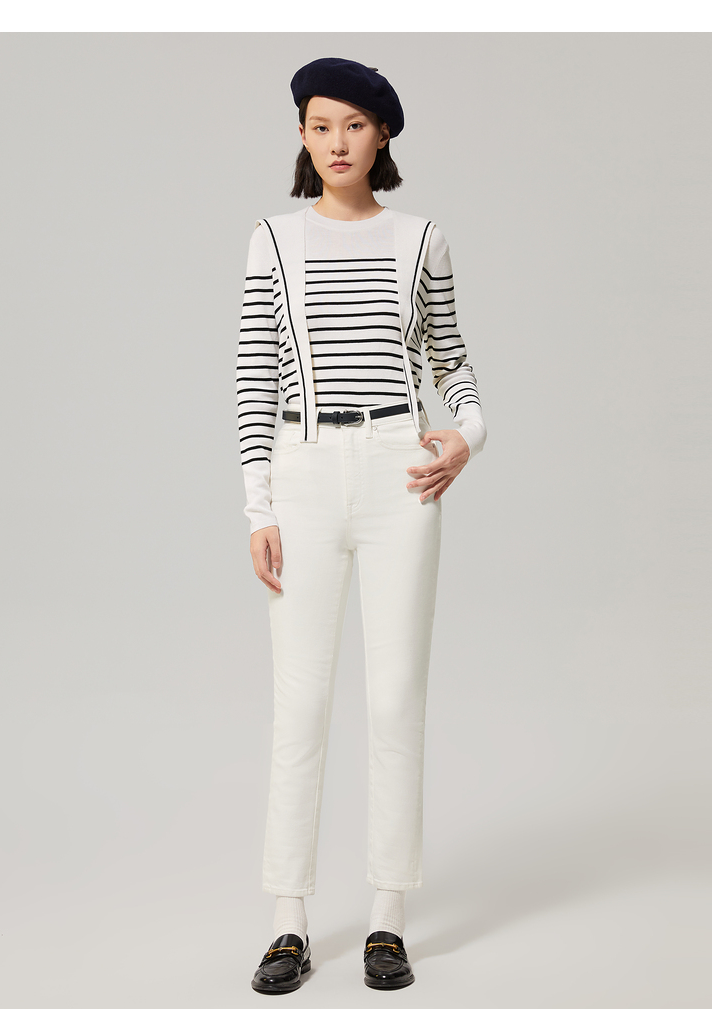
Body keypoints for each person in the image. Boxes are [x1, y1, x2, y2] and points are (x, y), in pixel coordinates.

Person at [237, 57, 487, 995]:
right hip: (302, 469)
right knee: (299, 703)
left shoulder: (422, 239)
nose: (335, 143)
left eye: (352, 124)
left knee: (392, 700)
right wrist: (258, 505)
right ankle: (288, 922)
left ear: (382, 134)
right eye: (318, 125)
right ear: (301, 137)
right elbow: (254, 375)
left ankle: (387, 917)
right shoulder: (273, 239)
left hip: (399, 472)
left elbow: (453, 361)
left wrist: (467, 437)